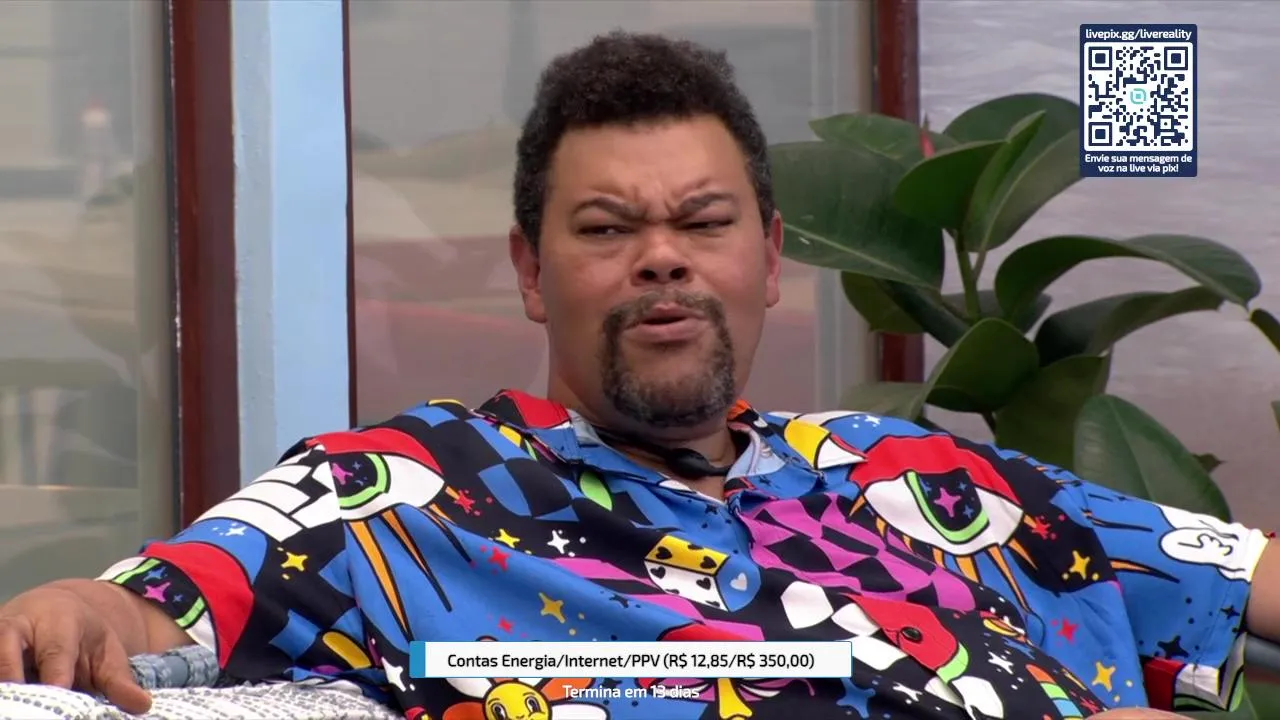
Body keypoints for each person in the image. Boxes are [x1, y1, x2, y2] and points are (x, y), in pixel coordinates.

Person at [0, 31, 1275, 720]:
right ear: (529, 269)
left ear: (769, 258)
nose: (661, 258)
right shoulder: (398, 493)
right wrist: (70, 609)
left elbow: (1242, 574)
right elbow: (148, 606)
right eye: (607, 229)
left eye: (703, 223)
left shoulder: (923, 477)